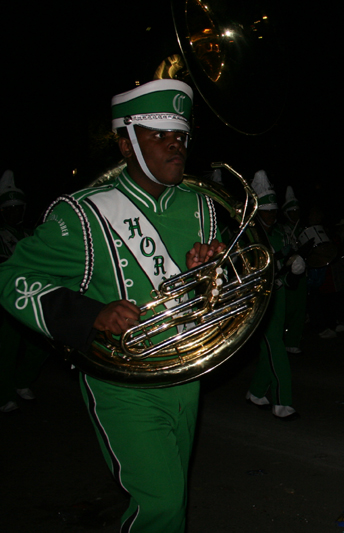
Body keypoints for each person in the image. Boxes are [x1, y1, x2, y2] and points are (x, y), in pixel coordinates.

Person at [0, 79, 223, 531]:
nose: (175, 145)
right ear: (126, 144)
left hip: (186, 374)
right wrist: (91, 314)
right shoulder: (82, 213)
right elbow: (12, 277)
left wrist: (210, 272)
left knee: (174, 499)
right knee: (161, 504)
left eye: (180, 135)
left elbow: (213, 294)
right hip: (122, 384)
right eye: (159, 135)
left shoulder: (202, 207)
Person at [245, 171, 304, 420]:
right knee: (276, 348)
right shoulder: (247, 235)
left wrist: (295, 268)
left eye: (272, 211)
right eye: (265, 211)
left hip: (277, 298)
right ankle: (282, 401)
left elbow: (286, 277)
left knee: (271, 346)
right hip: (257, 301)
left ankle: (257, 391)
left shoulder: (279, 235)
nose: (270, 216)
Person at [0, 170, 50, 413]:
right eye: (9, 208)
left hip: (33, 297)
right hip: (7, 299)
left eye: (18, 208)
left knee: (39, 344)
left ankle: (22, 381)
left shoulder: (31, 234)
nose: (15, 212)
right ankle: (4, 394)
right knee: (6, 349)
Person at [280, 185, 308, 353]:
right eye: (292, 211)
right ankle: (282, 337)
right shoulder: (282, 230)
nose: (295, 214)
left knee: (300, 307)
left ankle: (293, 341)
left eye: (297, 211)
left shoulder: (304, 229)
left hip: (302, 273)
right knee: (287, 307)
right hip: (287, 273)